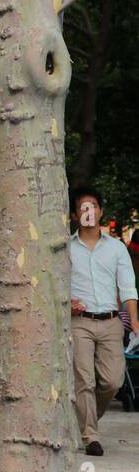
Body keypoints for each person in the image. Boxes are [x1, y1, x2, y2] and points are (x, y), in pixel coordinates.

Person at [69, 186, 138, 456]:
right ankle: (90, 437)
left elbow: (129, 288)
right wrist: (66, 302)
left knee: (112, 382)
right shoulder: (66, 248)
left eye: (93, 206)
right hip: (80, 322)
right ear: (75, 214)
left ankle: (85, 423)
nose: (89, 212)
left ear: (100, 211)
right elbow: (56, 285)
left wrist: (134, 321)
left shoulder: (117, 249)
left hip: (111, 321)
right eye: (83, 207)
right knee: (83, 380)